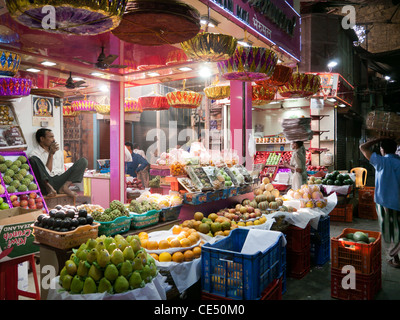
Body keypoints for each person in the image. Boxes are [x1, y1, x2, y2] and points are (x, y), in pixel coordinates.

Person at [360, 137, 400, 268]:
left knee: (388, 230)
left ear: (382, 149)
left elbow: (363, 147)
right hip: (398, 202)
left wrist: (379, 138)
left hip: (384, 203)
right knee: (398, 229)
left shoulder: (381, 161)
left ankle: (395, 258)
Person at [29, 128, 88, 198]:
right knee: (33, 159)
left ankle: (64, 187)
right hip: (47, 182)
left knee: (83, 161)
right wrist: (51, 154)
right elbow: (46, 172)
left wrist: (66, 180)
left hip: (60, 180)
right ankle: (50, 188)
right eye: (50, 137)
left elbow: (61, 170)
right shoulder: (35, 154)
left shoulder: (58, 152)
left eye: (53, 137)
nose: (53, 140)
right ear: (42, 139)